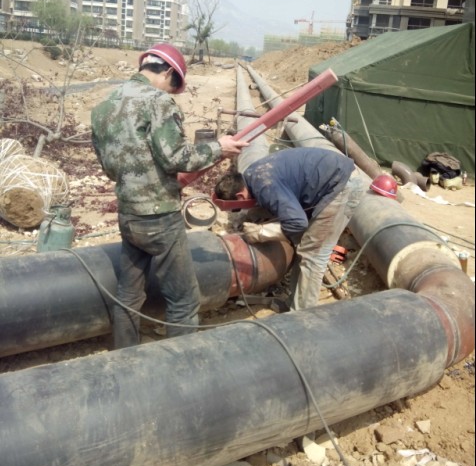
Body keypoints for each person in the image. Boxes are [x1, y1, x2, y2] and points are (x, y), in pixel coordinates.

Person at [91, 42, 248, 349]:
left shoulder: (104, 107)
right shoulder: (158, 102)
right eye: (173, 85)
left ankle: (125, 357)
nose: (171, 91)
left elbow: (110, 168)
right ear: (166, 72)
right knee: (184, 300)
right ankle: (178, 364)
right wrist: (219, 147)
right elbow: (175, 157)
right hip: (160, 217)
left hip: (129, 215)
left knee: (129, 295)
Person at [214, 147, 364, 311]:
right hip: (332, 177)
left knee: (313, 255)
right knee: (304, 247)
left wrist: (262, 233)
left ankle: (301, 317)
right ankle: (293, 305)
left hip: (341, 186)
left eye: (238, 207)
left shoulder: (264, 187)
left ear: (240, 196)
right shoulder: (252, 175)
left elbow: (298, 223)